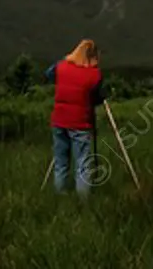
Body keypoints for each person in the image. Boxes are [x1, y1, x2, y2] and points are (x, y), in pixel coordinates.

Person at [44, 39, 105, 197]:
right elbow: (98, 98)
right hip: (79, 123)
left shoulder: (61, 67)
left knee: (61, 162)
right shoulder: (94, 74)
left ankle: (60, 194)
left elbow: (48, 74)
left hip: (59, 120)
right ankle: (83, 200)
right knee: (83, 164)